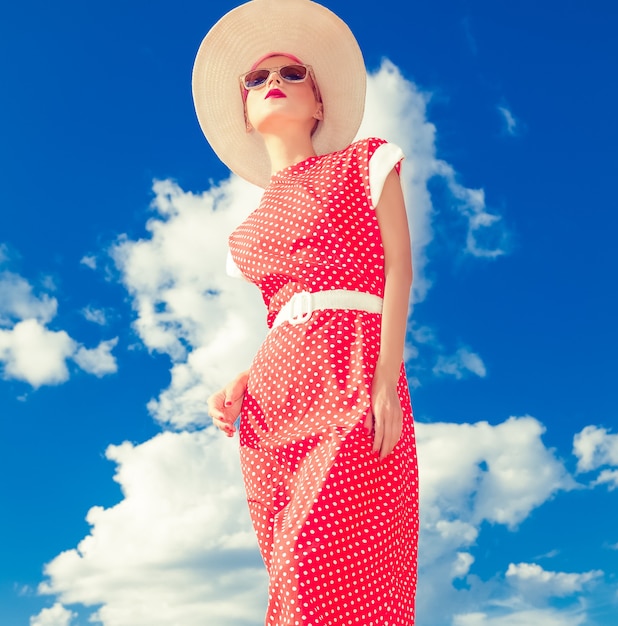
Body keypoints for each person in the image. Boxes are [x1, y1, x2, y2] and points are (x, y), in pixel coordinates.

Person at [193, 1, 419, 624]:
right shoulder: (244, 235)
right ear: (245, 111)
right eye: (257, 79)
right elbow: (282, 316)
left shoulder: (366, 162)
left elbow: (398, 270)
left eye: (292, 73)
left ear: (319, 104)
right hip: (274, 402)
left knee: (344, 565)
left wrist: (384, 383)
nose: (273, 84)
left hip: (354, 374)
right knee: (290, 569)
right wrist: (243, 377)